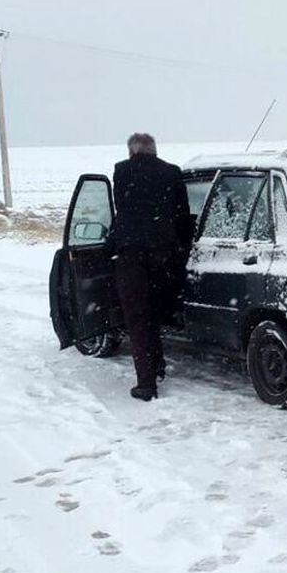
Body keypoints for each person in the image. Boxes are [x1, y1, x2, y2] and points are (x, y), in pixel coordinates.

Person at [111, 133, 192, 402]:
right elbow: (183, 215)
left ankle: (146, 383)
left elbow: (122, 210)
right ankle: (157, 365)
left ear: (132, 152)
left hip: (132, 256)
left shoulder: (122, 172)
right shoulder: (172, 173)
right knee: (155, 311)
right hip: (164, 255)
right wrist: (180, 248)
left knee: (138, 318)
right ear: (155, 151)